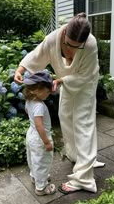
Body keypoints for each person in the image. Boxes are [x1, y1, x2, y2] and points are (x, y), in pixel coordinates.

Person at [14, 12, 105, 194]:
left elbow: (86, 75)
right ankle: (78, 156)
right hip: (65, 81)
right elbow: (37, 55)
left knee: (83, 124)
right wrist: (20, 69)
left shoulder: (90, 44)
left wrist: (61, 80)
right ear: (63, 35)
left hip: (85, 84)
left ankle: (84, 178)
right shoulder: (54, 38)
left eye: (76, 48)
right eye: (68, 46)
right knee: (65, 116)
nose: (70, 52)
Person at [23, 71, 57, 196]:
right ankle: (41, 188)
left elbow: (27, 112)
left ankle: (35, 177)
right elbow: (39, 125)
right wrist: (46, 142)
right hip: (40, 137)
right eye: (47, 90)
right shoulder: (39, 106)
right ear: (35, 90)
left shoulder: (29, 101)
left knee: (33, 158)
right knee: (43, 161)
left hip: (31, 134)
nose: (49, 92)